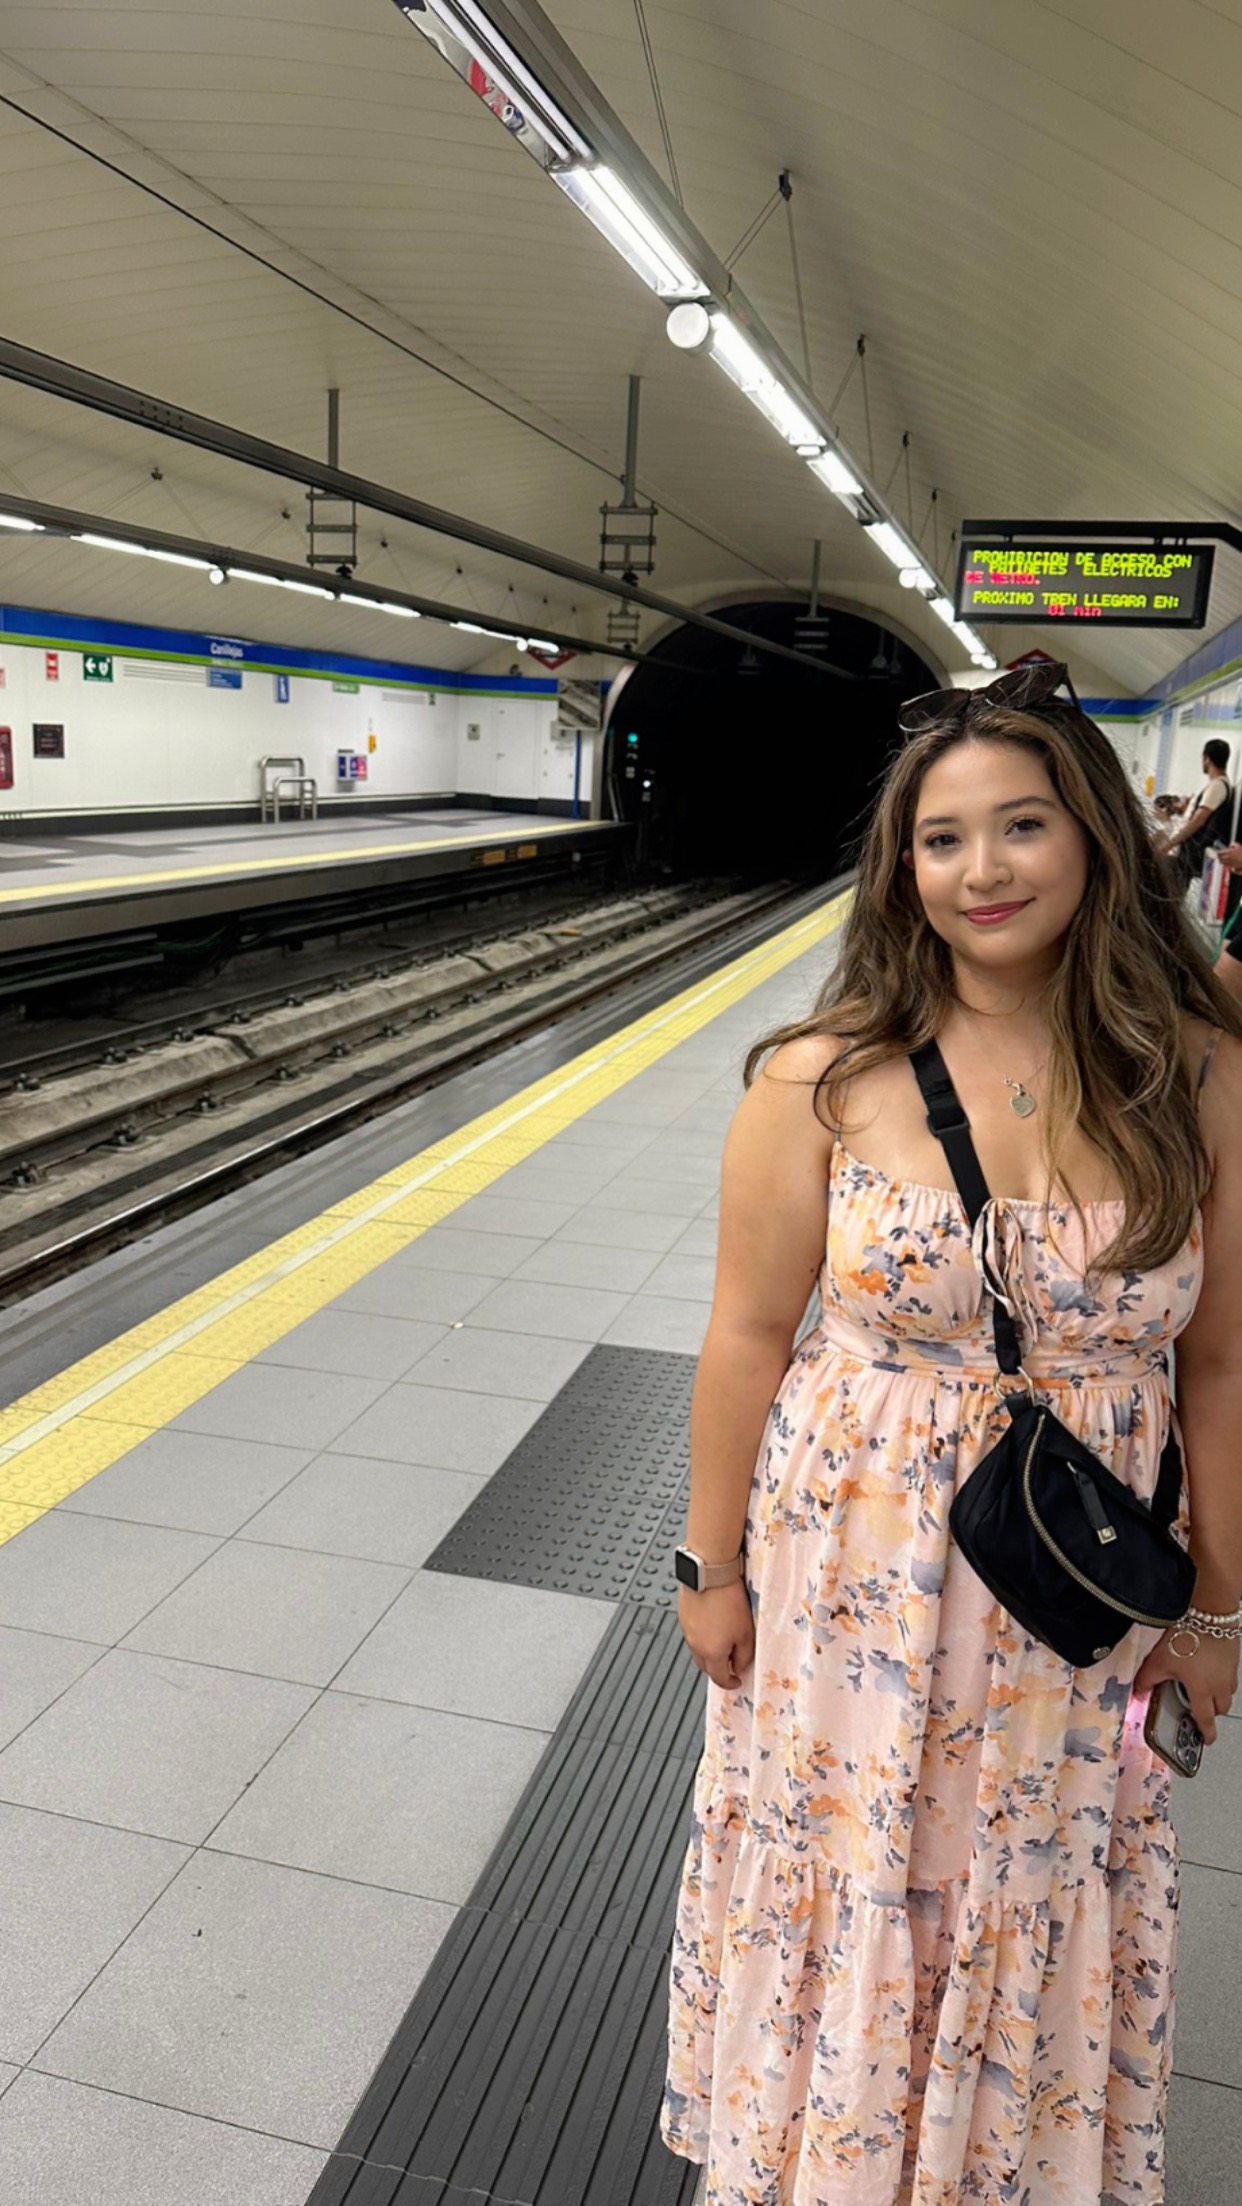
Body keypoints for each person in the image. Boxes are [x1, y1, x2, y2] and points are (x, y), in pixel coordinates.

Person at [660, 662, 1242, 2206]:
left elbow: (1224, 1363)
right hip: (853, 1572)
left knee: (1043, 1874)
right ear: (898, 869)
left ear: (1098, 840)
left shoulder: (1191, 1068)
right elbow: (744, 1335)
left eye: (1022, 825)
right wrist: (704, 1563)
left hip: (1079, 1598)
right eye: (941, 839)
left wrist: (1218, 1610)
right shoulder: (821, 1074)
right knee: (855, 1873)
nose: (981, 869)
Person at [1154, 737, 1232, 887]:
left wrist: (1168, 846)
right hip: (1182, 855)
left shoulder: (1217, 786)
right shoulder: (1219, 785)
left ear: (1206, 759)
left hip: (1184, 856)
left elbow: (1198, 820)